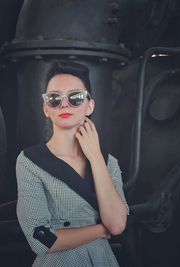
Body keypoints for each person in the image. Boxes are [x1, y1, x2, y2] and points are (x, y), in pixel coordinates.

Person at [15, 61, 129, 267]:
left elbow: (118, 224)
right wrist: (101, 230)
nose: (64, 104)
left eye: (75, 98)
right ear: (46, 109)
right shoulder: (30, 161)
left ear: (90, 106)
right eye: (54, 99)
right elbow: (40, 240)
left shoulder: (107, 162)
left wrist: (95, 156)